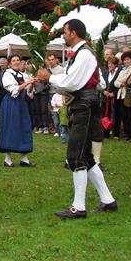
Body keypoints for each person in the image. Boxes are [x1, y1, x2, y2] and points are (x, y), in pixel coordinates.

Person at [37, 19, 117, 218]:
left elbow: (71, 82)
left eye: (65, 32)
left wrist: (50, 78)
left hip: (84, 106)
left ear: (73, 33)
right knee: (86, 156)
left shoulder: (84, 55)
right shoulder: (82, 55)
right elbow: (95, 82)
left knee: (76, 156)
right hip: (82, 105)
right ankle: (108, 200)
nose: (63, 36)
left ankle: (79, 207)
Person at [0, 54, 36, 167]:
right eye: (14, 60)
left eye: (18, 60)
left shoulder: (23, 75)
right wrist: (28, 82)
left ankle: (24, 158)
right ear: (9, 63)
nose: (16, 62)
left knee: (24, 127)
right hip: (11, 103)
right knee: (10, 128)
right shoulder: (7, 75)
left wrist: (32, 84)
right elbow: (14, 91)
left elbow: (29, 93)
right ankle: (7, 159)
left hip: (21, 103)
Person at [113, 51, 131, 141]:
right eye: (124, 60)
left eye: (128, 59)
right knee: (124, 115)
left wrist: (122, 82)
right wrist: (122, 84)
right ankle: (127, 134)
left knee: (129, 115)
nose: (126, 61)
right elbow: (116, 82)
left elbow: (127, 80)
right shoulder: (123, 70)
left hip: (128, 95)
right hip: (121, 94)